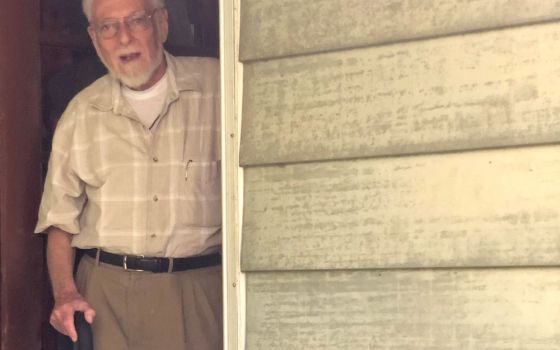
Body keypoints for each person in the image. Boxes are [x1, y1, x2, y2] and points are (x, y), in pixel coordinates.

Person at [35, 0, 222, 349]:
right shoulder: (81, 111)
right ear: (94, 38)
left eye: (137, 20)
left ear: (162, 23)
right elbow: (59, 221)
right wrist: (65, 294)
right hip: (104, 296)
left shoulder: (219, 88)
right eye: (108, 27)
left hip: (198, 289)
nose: (123, 38)